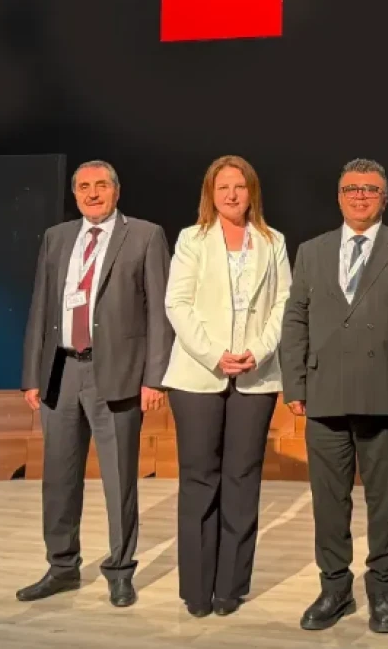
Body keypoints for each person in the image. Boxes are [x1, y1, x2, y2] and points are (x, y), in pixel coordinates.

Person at [279, 158, 388, 633]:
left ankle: (383, 592)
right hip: (324, 391)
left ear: (384, 198)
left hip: (386, 391)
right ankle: (335, 588)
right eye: (352, 188)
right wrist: (295, 382)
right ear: (339, 197)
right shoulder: (312, 251)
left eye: (370, 189)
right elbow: (296, 318)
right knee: (329, 501)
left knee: (384, 502)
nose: (360, 196)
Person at [17, 159, 174, 607]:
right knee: (59, 478)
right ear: (75, 194)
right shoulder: (57, 237)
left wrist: (155, 378)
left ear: (116, 190)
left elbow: (159, 312)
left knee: (119, 480)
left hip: (119, 374)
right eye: (83, 186)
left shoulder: (145, 235)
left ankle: (120, 571)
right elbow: (41, 308)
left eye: (101, 185)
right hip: (61, 371)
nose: (92, 193)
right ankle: (61, 566)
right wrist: (32, 374)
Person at [161, 155, 292, 617]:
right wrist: (215, 354)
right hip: (198, 375)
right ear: (210, 195)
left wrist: (258, 350)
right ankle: (197, 591)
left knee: (242, 481)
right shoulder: (191, 239)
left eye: (239, 186)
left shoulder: (273, 242)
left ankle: (230, 589)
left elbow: (284, 304)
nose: (232, 195)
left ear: (252, 191)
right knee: (199, 480)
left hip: (256, 376)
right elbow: (177, 304)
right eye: (223, 188)